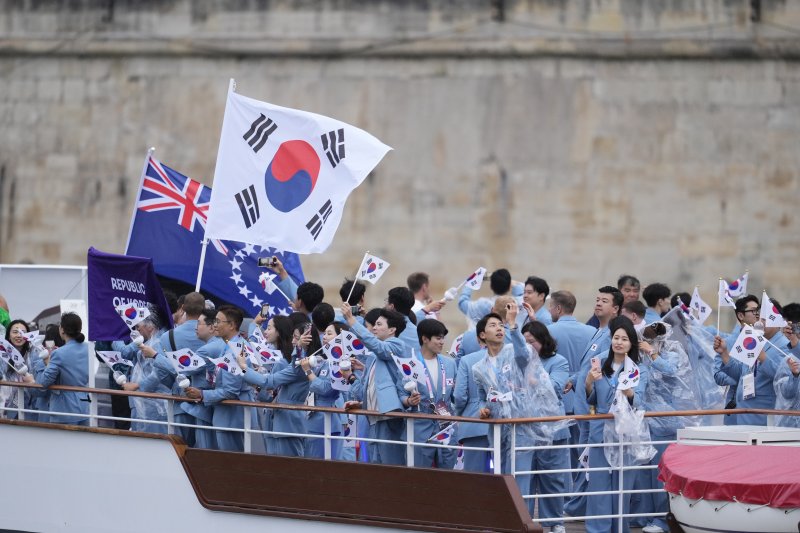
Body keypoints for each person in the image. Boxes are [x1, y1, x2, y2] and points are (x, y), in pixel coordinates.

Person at [584, 316, 650, 533]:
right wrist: (589, 382)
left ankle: (619, 528)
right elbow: (591, 399)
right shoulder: (599, 361)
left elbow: (640, 401)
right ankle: (598, 528)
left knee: (623, 485)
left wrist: (629, 391)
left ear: (631, 343)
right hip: (601, 429)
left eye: (624, 339)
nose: (619, 342)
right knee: (598, 484)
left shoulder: (639, 368)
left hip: (626, 430)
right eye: (615, 337)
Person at [341, 305, 409, 465]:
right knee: (374, 466)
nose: (374, 328)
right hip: (373, 417)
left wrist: (351, 320)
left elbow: (379, 347)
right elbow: (377, 385)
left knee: (390, 467)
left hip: (388, 417)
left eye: (379, 324)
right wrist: (360, 402)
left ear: (392, 329)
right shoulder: (375, 357)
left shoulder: (397, 345)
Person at [234, 315, 311, 457]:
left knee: (289, 470)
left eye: (296, 338)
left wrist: (244, 368)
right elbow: (268, 390)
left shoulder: (296, 366)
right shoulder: (289, 363)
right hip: (277, 421)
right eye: (293, 337)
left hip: (288, 424)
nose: (293, 341)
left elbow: (268, 382)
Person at [520, 321, 570, 533]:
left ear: (543, 340)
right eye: (523, 342)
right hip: (524, 428)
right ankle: (525, 520)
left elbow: (557, 387)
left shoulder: (558, 361)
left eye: (531, 342)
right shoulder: (517, 362)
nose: (527, 346)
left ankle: (554, 522)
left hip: (552, 428)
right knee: (524, 478)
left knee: (553, 478)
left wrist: (532, 380)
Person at [185, 306, 255, 452]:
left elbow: (230, 391)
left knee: (231, 464)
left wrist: (202, 394)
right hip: (229, 417)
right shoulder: (230, 345)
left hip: (231, 418)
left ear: (231, 325)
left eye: (218, 321)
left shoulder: (235, 349)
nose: (215, 325)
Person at [714, 298, 786, 426]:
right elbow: (741, 374)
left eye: (764, 319)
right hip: (743, 411)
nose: (759, 322)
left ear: (777, 319)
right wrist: (724, 353)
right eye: (758, 318)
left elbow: (783, 378)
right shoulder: (757, 339)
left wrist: (763, 358)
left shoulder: (784, 345)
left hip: (762, 415)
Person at [546, 290, 596, 476]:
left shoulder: (549, 331)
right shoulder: (592, 332)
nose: (549, 311)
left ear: (558, 308)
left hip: (560, 394)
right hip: (585, 394)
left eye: (550, 307)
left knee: (562, 453)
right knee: (582, 447)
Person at [399, 318, 457, 468]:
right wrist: (409, 401)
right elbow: (401, 394)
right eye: (438, 338)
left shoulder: (450, 364)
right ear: (424, 339)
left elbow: (457, 396)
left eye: (443, 338)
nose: (442, 342)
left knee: (448, 478)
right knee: (419, 477)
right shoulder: (410, 364)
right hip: (420, 428)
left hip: (446, 427)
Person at [24, 312, 90, 425]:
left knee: (61, 442)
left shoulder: (59, 353)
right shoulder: (88, 348)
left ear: (62, 330)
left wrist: (31, 380)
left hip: (65, 409)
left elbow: (44, 382)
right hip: (85, 405)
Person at [303, 321, 350, 460]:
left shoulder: (341, 362)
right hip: (315, 419)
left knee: (327, 466)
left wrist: (307, 371)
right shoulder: (325, 361)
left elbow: (327, 390)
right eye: (324, 333)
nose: (324, 336)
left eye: (329, 333)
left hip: (328, 419)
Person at [457, 268, 523, 327]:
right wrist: (510, 283)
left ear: (491, 286)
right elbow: (521, 292)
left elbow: (462, 302)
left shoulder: (482, 305)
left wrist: (476, 280)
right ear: (509, 287)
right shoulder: (516, 303)